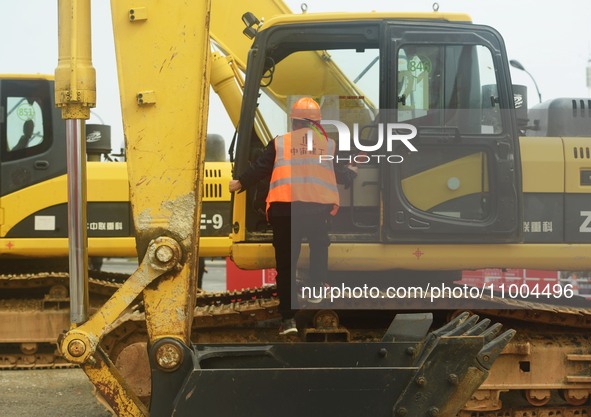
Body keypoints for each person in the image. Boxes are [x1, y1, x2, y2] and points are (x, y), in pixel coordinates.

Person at [229, 97, 357, 335]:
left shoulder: (280, 143)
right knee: (320, 246)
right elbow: (338, 174)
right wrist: (351, 172)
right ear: (316, 123)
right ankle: (317, 290)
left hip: (284, 211)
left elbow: (261, 167)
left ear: (295, 122)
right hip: (316, 211)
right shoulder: (327, 145)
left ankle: (288, 320)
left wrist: (240, 183)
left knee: (286, 264)